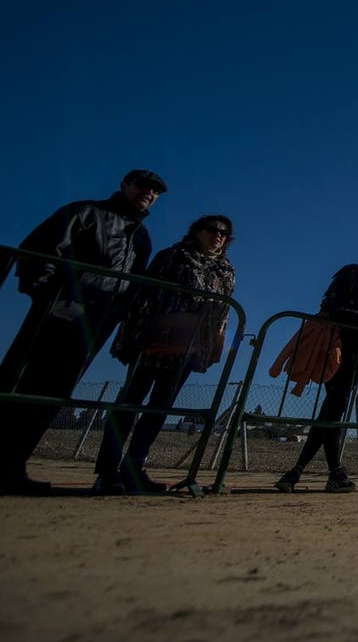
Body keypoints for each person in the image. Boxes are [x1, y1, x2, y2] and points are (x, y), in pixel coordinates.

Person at [0, 169, 164, 495]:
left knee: (53, 393)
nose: (149, 192)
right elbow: (42, 250)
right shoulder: (85, 212)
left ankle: (12, 466)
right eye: (143, 185)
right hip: (58, 313)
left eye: (155, 190)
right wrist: (51, 297)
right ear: (124, 185)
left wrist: (120, 314)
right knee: (21, 383)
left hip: (97, 323)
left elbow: (133, 283)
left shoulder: (141, 236)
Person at [92, 215, 236, 495]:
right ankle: (106, 472)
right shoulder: (173, 257)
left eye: (224, 233)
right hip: (155, 341)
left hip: (190, 347)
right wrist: (136, 336)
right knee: (130, 403)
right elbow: (144, 298)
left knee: (159, 409)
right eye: (212, 230)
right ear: (196, 231)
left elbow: (223, 312)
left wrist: (215, 345)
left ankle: (133, 469)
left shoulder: (226, 270)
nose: (218, 235)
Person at [274, 240, 358, 493]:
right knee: (334, 409)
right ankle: (332, 472)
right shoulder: (351, 273)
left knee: (332, 411)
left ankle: (300, 472)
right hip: (337, 347)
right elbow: (331, 307)